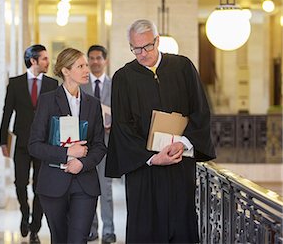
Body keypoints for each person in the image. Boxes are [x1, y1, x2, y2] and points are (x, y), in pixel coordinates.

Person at [105, 19, 216, 243]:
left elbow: (201, 111)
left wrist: (183, 143)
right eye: (136, 49)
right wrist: (152, 158)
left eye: (147, 46)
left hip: (179, 163)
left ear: (157, 41)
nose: (143, 53)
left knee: (180, 223)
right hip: (143, 170)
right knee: (145, 226)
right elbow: (122, 128)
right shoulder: (123, 78)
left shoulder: (183, 67)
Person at [29, 48, 107, 244]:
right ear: (65, 71)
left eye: (86, 66)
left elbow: (99, 146)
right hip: (53, 185)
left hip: (85, 185)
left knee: (78, 239)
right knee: (59, 239)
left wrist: (83, 163)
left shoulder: (93, 103)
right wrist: (66, 153)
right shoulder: (47, 101)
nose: (86, 70)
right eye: (80, 66)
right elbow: (35, 146)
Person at [0, 44, 58, 243]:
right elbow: (7, 112)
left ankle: (35, 227)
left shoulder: (52, 84)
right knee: (20, 182)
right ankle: (25, 214)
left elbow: (57, 116)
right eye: (44, 59)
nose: (48, 62)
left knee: (40, 186)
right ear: (33, 61)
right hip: (22, 143)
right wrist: (2, 141)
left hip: (43, 144)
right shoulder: (15, 83)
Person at [80, 45, 116, 243]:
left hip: (108, 143)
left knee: (106, 188)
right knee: (88, 189)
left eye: (98, 58)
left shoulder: (115, 85)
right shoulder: (81, 86)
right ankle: (91, 229)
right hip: (86, 145)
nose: (95, 62)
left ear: (105, 61)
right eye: (91, 58)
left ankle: (109, 230)